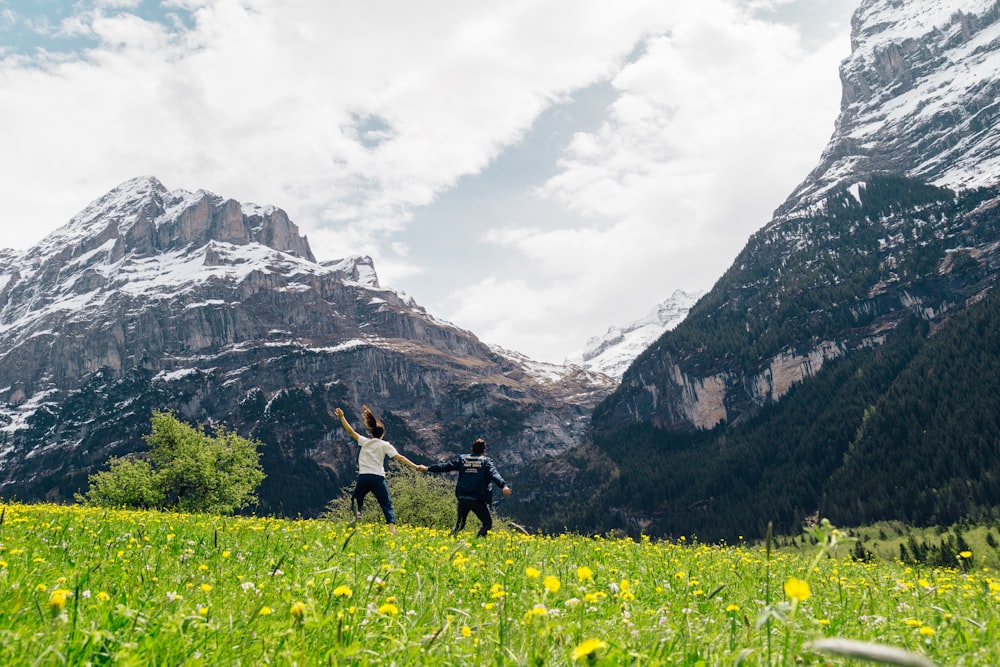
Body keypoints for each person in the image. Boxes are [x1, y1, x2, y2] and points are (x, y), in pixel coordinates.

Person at [334, 405, 421, 534]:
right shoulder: (385, 445)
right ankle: (392, 530)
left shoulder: (365, 442)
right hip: (378, 478)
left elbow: (351, 432)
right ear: (383, 434)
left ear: (371, 433)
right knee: (386, 503)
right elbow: (400, 458)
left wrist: (342, 417)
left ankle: (357, 514)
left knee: (357, 499)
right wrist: (415, 466)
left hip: (364, 477)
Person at [424, 438, 511, 537]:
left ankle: (449, 539)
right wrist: (503, 486)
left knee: (459, 525)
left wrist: (428, 468)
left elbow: (446, 466)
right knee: (487, 523)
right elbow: (494, 474)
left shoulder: (463, 459)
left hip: (462, 496)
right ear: (484, 450)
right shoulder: (486, 462)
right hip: (476, 498)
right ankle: (477, 543)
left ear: (472, 449)